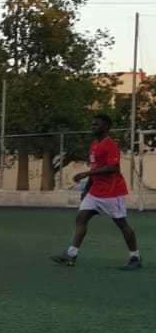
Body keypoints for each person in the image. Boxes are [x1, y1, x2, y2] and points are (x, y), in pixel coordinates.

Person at [51, 113, 142, 271]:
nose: (93, 127)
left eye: (97, 124)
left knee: (122, 224)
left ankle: (135, 257)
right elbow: (95, 168)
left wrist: (86, 174)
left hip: (112, 192)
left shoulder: (110, 145)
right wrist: (87, 189)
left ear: (106, 127)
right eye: (92, 124)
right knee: (81, 218)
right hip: (95, 192)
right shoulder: (94, 144)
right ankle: (71, 254)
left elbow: (112, 168)